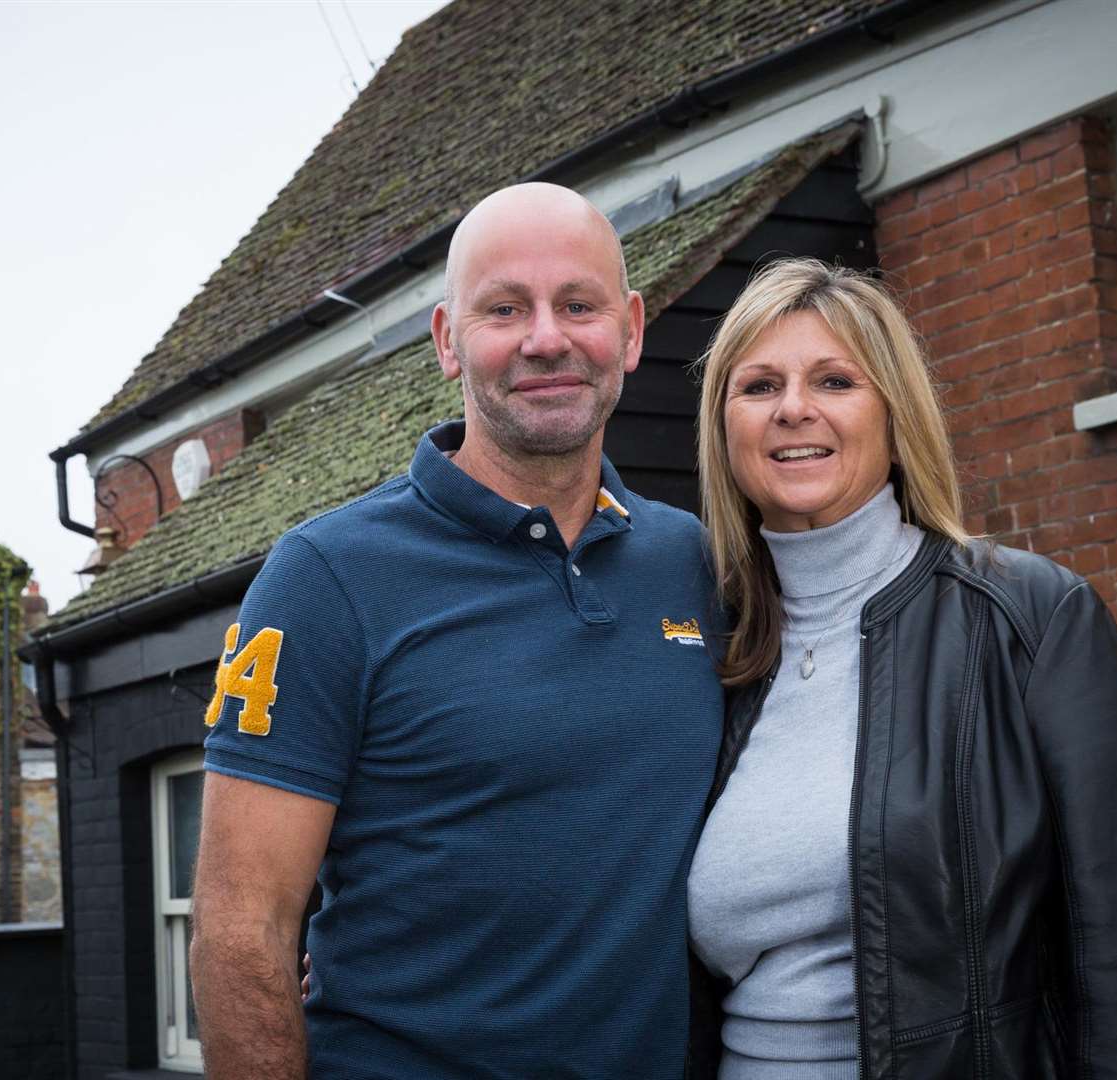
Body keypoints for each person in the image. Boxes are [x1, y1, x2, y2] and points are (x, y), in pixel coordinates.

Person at [189, 182, 726, 1080]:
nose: (546, 337)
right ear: (447, 341)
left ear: (630, 331)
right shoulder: (325, 577)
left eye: (579, 305)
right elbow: (242, 926)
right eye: (504, 308)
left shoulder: (693, 563)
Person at [685, 257, 1117, 1078]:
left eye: (835, 380)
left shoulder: (1030, 620)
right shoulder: (712, 651)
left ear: (894, 413)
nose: (793, 410)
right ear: (723, 426)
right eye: (759, 386)